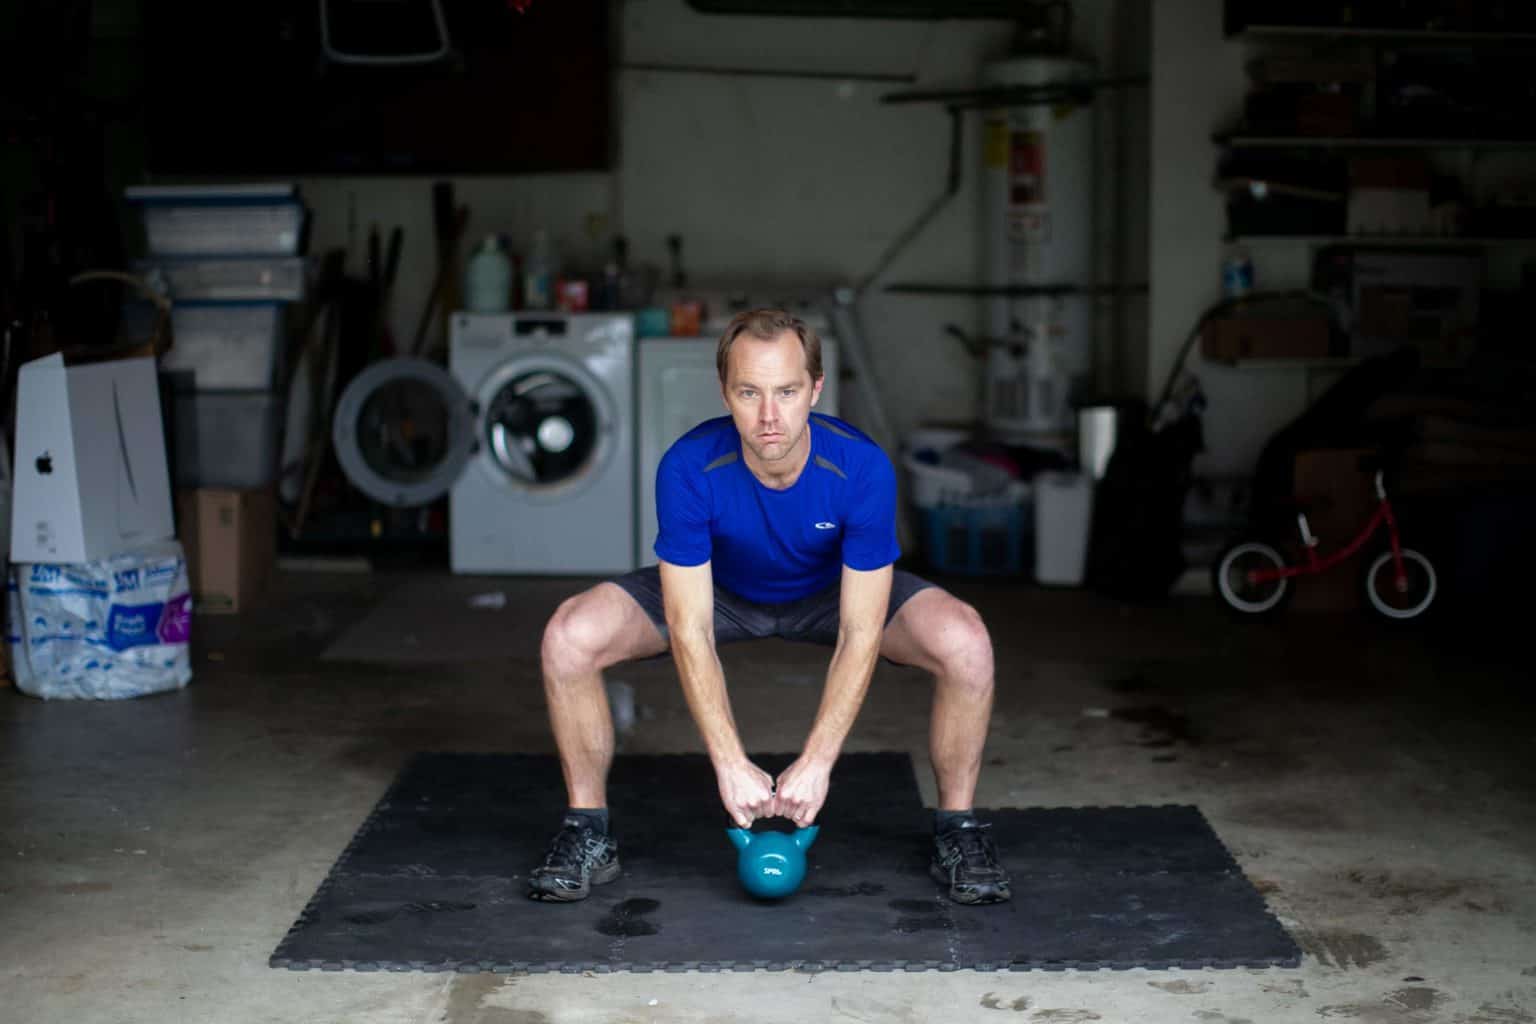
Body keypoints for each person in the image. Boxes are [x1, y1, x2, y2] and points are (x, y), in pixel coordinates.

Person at [528, 308, 1010, 905]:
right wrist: (730, 762)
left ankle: (957, 830)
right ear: (724, 392)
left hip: (829, 593)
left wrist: (817, 762)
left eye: (786, 391)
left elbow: (860, 630)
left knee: (966, 641)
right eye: (749, 392)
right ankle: (586, 830)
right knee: (569, 636)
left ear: (816, 388)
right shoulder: (689, 466)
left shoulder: (860, 469)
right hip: (719, 594)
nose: (769, 416)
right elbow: (690, 627)